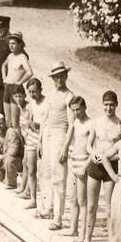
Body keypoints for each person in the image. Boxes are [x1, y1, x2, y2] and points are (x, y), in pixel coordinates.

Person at [77, 91, 121, 242]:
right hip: (95, 166)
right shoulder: (96, 123)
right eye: (106, 105)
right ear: (102, 105)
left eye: (111, 105)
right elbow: (89, 145)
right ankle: (87, 240)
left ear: (116, 105)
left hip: (110, 167)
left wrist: (108, 158)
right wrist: (94, 154)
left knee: (109, 209)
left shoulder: (119, 125)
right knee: (91, 207)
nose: (109, 108)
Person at [39, 62, 74, 227]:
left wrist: (65, 147)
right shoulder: (50, 93)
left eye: (61, 75)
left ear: (66, 76)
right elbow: (44, 117)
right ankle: (48, 207)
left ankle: (58, 218)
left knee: (58, 176)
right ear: (52, 78)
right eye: (56, 76)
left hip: (60, 134)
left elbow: (71, 124)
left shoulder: (69, 96)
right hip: (47, 133)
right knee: (45, 173)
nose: (59, 79)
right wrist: (40, 139)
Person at [62, 96, 92, 240]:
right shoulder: (75, 122)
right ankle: (73, 228)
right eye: (73, 110)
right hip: (73, 161)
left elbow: (93, 149)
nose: (76, 113)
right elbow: (69, 139)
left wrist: (85, 166)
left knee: (82, 201)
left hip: (83, 163)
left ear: (85, 107)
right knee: (72, 199)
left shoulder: (90, 124)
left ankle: (82, 233)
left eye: (78, 109)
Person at [21, 78, 48, 212]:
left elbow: (48, 122)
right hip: (31, 139)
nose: (32, 94)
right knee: (31, 169)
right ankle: (33, 198)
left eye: (35, 91)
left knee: (42, 172)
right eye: (30, 92)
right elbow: (28, 121)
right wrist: (29, 125)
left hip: (43, 140)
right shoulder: (31, 105)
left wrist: (38, 125)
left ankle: (44, 201)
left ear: (40, 90)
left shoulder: (46, 103)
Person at [0, 31, 32, 131]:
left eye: (13, 43)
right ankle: (10, 144)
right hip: (7, 87)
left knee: (15, 122)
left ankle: (19, 145)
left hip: (16, 89)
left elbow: (29, 72)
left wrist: (20, 82)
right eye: (10, 43)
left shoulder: (22, 57)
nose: (11, 46)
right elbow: (3, 65)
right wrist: (4, 77)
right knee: (7, 121)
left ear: (19, 44)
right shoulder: (10, 56)